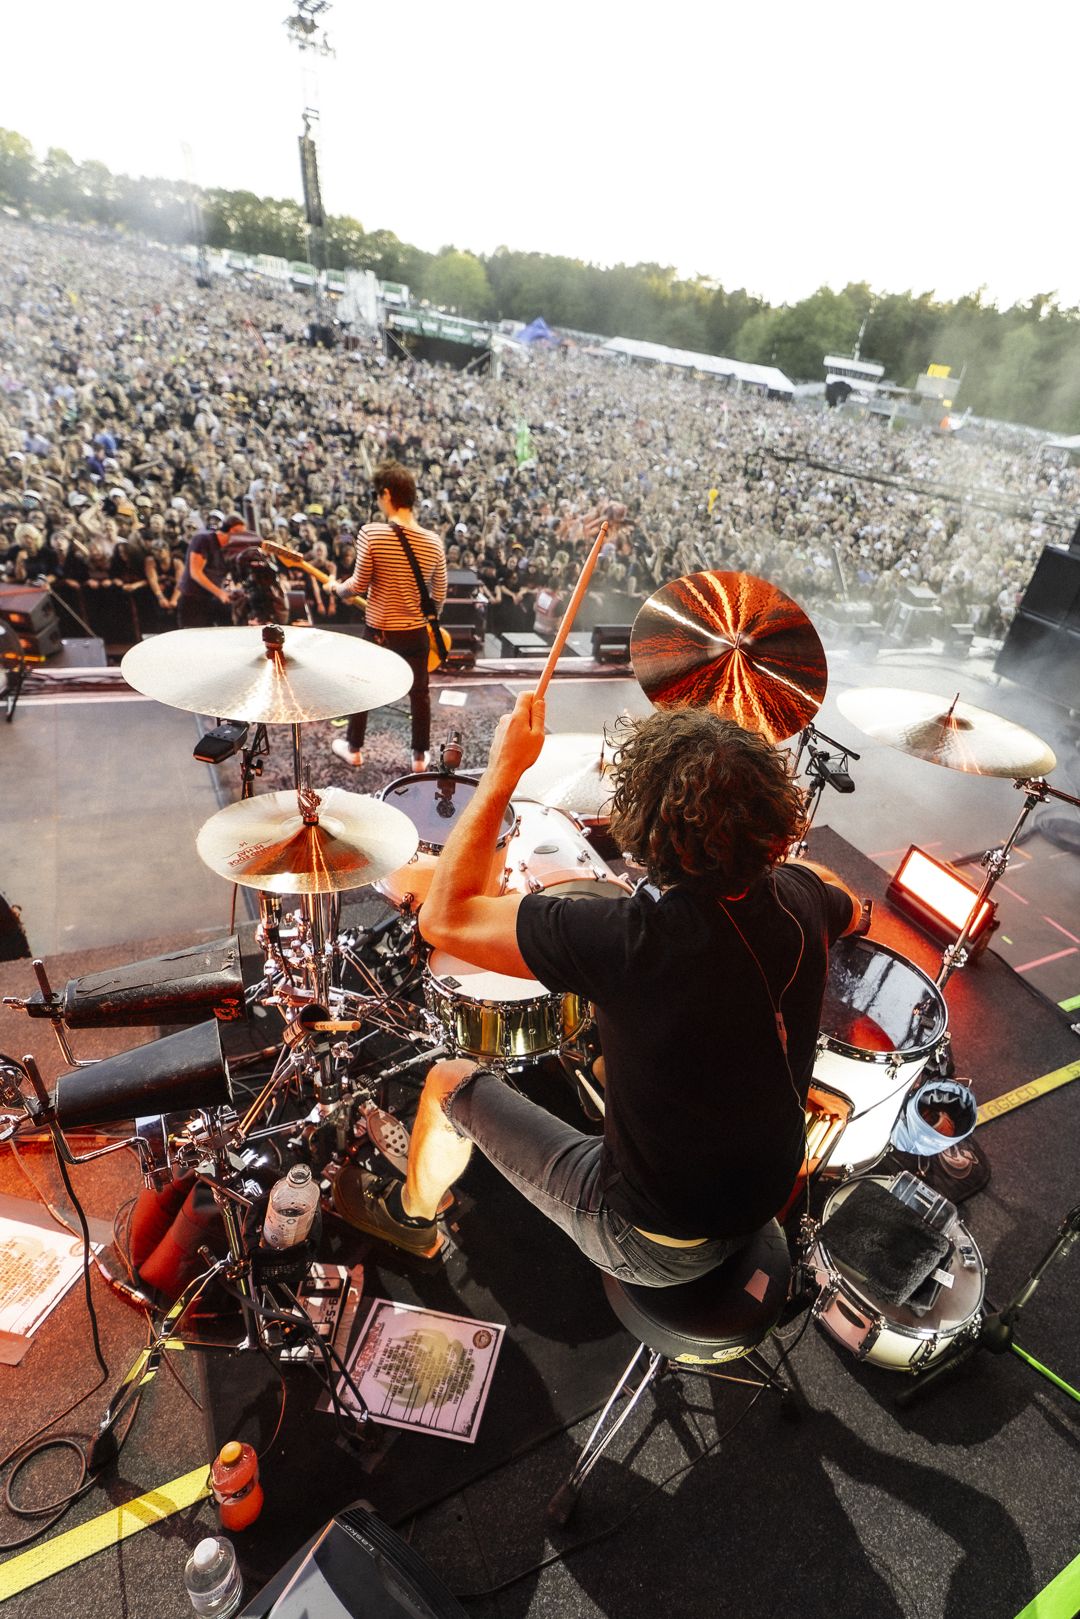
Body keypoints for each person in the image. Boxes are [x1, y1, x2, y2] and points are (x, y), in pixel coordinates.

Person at [333, 699, 862, 1285]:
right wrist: (838, 904)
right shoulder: (800, 898)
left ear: (644, 828)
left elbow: (443, 920)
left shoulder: (630, 942)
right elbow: (847, 905)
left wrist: (502, 772)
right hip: (769, 1189)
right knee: (613, 1056)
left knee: (447, 1081)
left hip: (652, 1239)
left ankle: (412, 1217)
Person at [331, 461, 447, 773]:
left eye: (377, 495)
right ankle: (420, 758)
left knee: (363, 686)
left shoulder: (372, 534)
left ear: (386, 494)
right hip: (416, 633)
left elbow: (357, 585)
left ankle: (355, 748)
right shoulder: (434, 542)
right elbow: (440, 595)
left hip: (381, 632)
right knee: (420, 693)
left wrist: (334, 588)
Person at [176, 514, 246, 628]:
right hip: (193, 599)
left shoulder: (230, 549)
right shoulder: (203, 540)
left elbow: (233, 574)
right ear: (233, 531)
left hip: (212, 599)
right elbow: (195, 572)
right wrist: (220, 593)